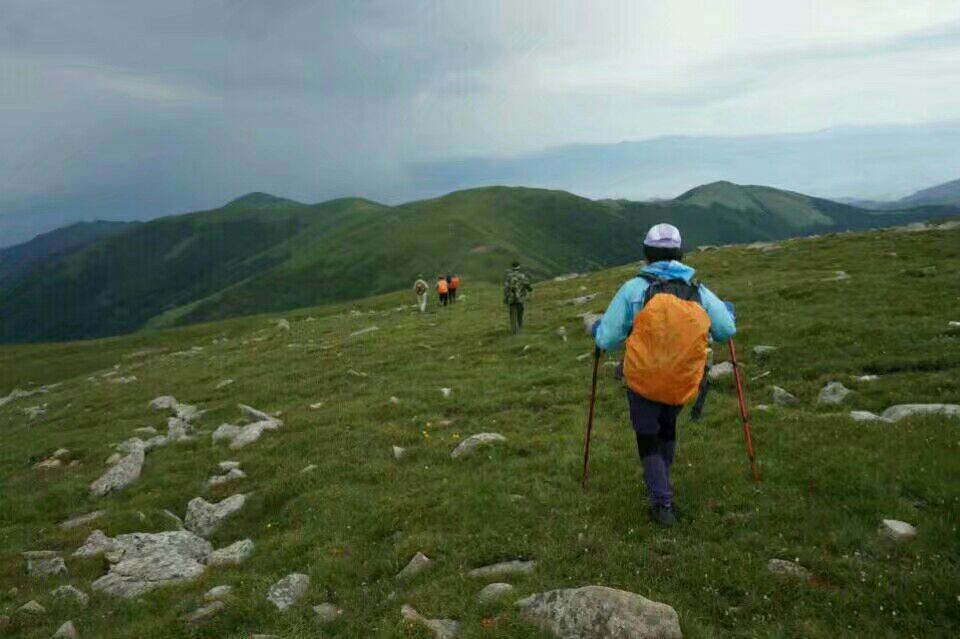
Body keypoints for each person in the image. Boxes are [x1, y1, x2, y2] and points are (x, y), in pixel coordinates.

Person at [585, 223, 735, 527]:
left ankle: (662, 502)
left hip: (642, 376)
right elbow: (725, 330)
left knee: (647, 434)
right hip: (681, 375)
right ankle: (660, 483)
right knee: (667, 428)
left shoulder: (634, 288)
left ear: (646, 254)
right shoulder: (696, 289)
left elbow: (608, 339)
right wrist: (727, 310)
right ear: (680, 252)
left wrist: (596, 329)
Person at [503, 261, 532, 334]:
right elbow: (528, 286)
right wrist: (529, 289)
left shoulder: (508, 277)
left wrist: (506, 298)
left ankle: (514, 330)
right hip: (520, 298)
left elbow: (506, 288)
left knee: (512, 315)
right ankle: (520, 328)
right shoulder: (522, 276)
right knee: (520, 314)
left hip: (511, 299)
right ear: (519, 267)